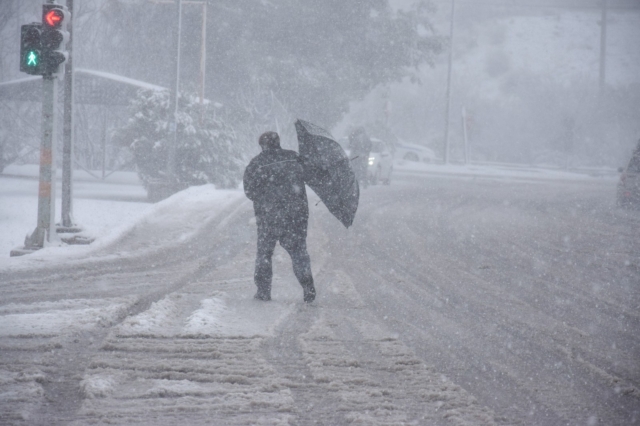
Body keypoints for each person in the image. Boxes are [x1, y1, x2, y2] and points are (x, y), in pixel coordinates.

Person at [243, 131, 316, 303]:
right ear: (278, 142)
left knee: (264, 253)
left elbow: (249, 191)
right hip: (296, 215)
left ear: (262, 145)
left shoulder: (256, 164)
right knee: (298, 252)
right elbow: (312, 174)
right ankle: (308, 285)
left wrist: (265, 199)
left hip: (268, 217)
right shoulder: (294, 158)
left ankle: (263, 291)